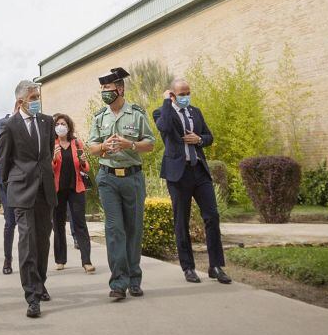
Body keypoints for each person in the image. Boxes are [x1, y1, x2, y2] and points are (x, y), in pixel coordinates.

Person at [86, 67, 155, 300]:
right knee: (114, 230)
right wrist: (104, 147)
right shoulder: (99, 117)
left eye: (108, 88)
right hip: (108, 178)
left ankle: (134, 279)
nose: (104, 92)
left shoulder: (136, 113)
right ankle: (118, 283)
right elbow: (92, 148)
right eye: (102, 88)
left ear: (120, 88)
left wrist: (130, 145)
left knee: (133, 229)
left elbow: (150, 143)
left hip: (133, 178)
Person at [153, 78, 230, 284]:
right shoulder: (162, 112)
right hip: (178, 175)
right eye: (181, 94)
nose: (186, 97)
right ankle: (188, 267)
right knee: (181, 221)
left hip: (199, 171)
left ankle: (216, 266)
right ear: (172, 94)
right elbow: (165, 127)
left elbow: (209, 136)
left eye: (188, 93)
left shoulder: (195, 112)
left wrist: (199, 140)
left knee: (212, 216)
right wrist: (166, 102)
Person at [0, 80, 57, 318]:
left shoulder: (47, 121)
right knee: (27, 243)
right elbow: (4, 160)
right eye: (33, 98)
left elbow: (48, 153)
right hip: (22, 191)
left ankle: (40, 282)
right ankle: (31, 296)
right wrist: (13, 184)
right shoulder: (9, 126)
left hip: (45, 190)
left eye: (37, 97)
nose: (36, 101)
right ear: (21, 101)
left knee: (43, 241)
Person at [51, 113, 94, 274]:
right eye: (58, 124)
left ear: (68, 127)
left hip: (76, 189)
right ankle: (60, 260)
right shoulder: (52, 144)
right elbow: (49, 169)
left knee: (80, 223)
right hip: (57, 190)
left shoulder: (76, 143)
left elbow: (85, 167)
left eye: (63, 124)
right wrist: (54, 158)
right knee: (58, 224)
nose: (60, 126)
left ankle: (87, 261)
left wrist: (83, 161)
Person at [0, 107, 17, 275]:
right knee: (10, 221)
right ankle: (7, 259)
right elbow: (1, 149)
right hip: (6, 179)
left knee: (27, 223)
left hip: (27, 179)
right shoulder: (0, 124)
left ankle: (29, 260)